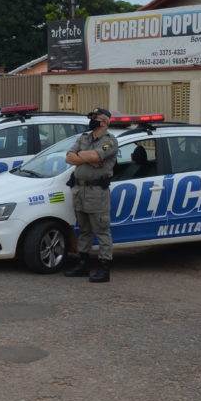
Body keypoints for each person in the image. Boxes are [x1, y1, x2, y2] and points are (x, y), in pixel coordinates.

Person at [64, 107, 118, 283]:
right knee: (84, 230)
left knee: (102, 231)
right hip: (80, 190)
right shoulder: (84, 137)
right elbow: (68, 157)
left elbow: (96, 154)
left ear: (104, 121)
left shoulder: (110, 141)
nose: (91, 120)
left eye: (94, 117)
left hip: (97, 192)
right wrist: (88, 158)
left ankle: (104, 268)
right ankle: (83, 264)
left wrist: (82, 156)